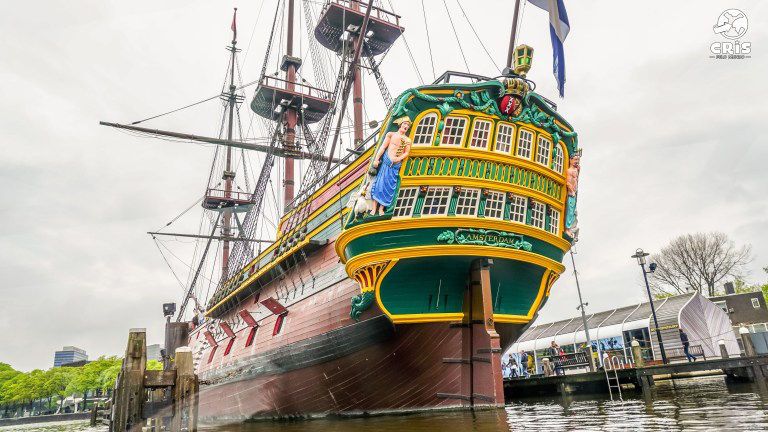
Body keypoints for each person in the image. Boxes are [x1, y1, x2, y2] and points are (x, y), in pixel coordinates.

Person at [370, 117, 412, 215]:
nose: (406, 126)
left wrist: (399, 158)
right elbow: (383, 147)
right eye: (405, 124)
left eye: (408, 125)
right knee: (380, 184)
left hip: (395, 165)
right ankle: (374, 208)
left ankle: (381, 209)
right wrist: (376, 159)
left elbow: (406, 153)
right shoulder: (391, 135)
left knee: (389, 187)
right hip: (386, 163)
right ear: (400, 124)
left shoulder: (407, 140)